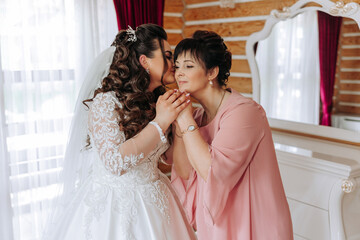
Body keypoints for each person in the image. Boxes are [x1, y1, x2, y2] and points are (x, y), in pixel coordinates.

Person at [43, 24, 197, 240]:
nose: (175, 64)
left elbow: (169, 158)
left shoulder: (159, 101)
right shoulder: (106, 102)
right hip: (111, 206)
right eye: (168, 56)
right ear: (144, 61)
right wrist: (161, 121)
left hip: (156, 199)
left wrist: (180, 120)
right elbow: (114, 162)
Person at [167, 30, 293, 239]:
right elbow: (185, 172)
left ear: (212, 72)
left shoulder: (245, 112)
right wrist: (181, 119)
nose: (179, 73)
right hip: (218, 226)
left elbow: (213, 171)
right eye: (177, 66)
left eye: (188, 66)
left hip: (254, 223)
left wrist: (186, 121)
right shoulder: (195, 116)